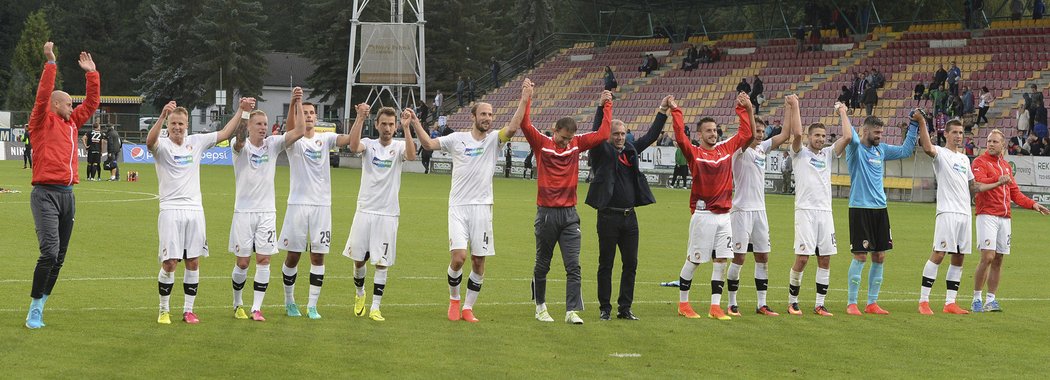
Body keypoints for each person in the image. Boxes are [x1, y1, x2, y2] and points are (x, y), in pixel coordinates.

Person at [412, 82, 524, 323]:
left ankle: (467, 308)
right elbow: (429, 144)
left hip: (483, 208)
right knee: (459, 257)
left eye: (491, 114)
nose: (488, 118)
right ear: (473, 116)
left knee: (478, 260)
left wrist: (525, 97)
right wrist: (415, 123)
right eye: (483, 114)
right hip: (458, 207)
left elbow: (514, 127)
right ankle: (454, 299)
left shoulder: (495, 139)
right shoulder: (457, 139)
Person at [520, 83, 612, 325]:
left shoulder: (577, 144)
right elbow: (525, 125)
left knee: (574, 265)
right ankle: (540, 306)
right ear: (555, 130)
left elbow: (603, 135)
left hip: (570, 215)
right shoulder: (542, 143)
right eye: (563, 138)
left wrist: (606, 105)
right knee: (543, 263)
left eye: (569, 139)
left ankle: (572, 310)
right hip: (547, 214)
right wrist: (527, 98)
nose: (565, 143)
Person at [24, 42, 99, 329]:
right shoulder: (42, 121)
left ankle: (41, 304)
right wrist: (51, 63)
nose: (74, 107)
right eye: (69, 103)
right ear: (56, 105)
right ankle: (34, 307)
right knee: (50, 252)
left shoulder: (72, 123)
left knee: (60, 258)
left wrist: (92, 75)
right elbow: (42, 95)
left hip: (68, 195)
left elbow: (91, 104)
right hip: (45, 194)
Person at [148, 96, 241, 324]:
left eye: (181, 124)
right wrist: (161, 115)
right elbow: (149, 142)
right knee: (170, 263)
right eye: (173, 123)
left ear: (187, 125)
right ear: (168, 125)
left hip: (194, 211)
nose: (177, 127)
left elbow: (225, 133)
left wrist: (241, 110)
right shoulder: (162, 146)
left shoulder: (196, 142)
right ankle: (163, 309)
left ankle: (188, 310)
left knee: (193, 262)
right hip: (170, 210)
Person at [586, 94, 670, 321]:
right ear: (608, 135)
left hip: (629, 217)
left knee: (630, 264)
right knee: (606, 264)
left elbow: (651, 136)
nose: (620, 138)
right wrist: (601, 107)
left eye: (623, 134)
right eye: (616, 134)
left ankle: (625, 308)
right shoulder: (601, 152)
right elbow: (595, 133)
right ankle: (605, 308)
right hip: (608, 217)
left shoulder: (631, 149)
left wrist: (662, 111)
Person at [916, 118, 1010, 315]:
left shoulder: (964, 159)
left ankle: (950, 303)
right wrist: (922, 122)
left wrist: (997, 184)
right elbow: (926, 146)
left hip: (965, 214)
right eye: (955, 132)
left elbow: (974, 187)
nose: (959, 136)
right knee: (939, 254)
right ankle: (924, 301)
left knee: (958, 258)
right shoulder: (940, 153)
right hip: (947, 212)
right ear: (946, 134)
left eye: (961, 133)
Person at [227, 88, 306, 322]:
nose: (263, 127)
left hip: (266, 213)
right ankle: (237, 303)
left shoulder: (272, 144)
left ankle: (256, 308)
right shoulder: (239, 145)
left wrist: (297, 102)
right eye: (259, 123)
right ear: (250, 126)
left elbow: (300, 131)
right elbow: (239, 140)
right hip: (243, 212)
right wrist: (243, 113)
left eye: (265, 123)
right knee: (242, 262)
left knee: (264, 260)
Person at [674, 92, 755, 321]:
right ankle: (683, 303)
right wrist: (676, 111)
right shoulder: (695, 153)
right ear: (699, 134)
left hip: (724, 216)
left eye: (715, 130)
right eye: (708, 130)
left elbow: (746, 133)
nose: (713, 133)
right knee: (695, 260)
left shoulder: (725, 149)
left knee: (721, 260)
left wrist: (743, 109)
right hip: (703, 215)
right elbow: (680, 137)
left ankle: (715, 307)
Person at [278, 101, 354, 319]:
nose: (309, 116)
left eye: (311, 113)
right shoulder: (294, 141)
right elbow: (291, 128)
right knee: (293, 256)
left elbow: (348, 140)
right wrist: (295, 103)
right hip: (298, 205)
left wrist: (358, 118)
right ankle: (289, 301)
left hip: (322, 206)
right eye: (305, 113)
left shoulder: (325, 139)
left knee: (318, 256)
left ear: (316, 117)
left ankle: (312, 305)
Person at [342, 105, 417, 322]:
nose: (387, 128)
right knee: (358, 261)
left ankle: (375, 306)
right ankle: (359, 294)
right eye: (383, 123)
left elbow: (412, 156)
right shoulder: (369, 144)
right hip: (365, 210)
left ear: (395, 127)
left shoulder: (400, 146)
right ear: (376, 124)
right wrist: (359, 118)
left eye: (391, 124)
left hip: (388, 214)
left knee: (382, 261)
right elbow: (354, 146)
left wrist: (407, 128)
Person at [843, 107, 919, 316]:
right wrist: (843, 111)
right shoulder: (855, 149)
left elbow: (905, 151)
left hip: (880, 209)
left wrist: (913, 125)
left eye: (881, 133)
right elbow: (851, 136)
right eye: (876, 133)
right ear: (865, 131)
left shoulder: (881, 150)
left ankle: (872, 303)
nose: (879, 136)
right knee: (860, 255)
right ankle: (851, 303)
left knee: (880, 256)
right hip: (860, 208)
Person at [727, 96, 793, 317]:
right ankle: (732, 303)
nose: (760, 134)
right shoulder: (740, 149)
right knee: (739, 258)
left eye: (762, 132)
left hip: (760, 212)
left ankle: (761, 304)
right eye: (757, 131)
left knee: (763, 257)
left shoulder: (762, 149)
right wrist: (749, 110)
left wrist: (789, 108)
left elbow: (784, 135)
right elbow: (747, 136)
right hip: (741, 211)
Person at [971, 130, 1050, 312]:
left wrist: (1033, 204)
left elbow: (1015, 193)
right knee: (987, 257)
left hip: (1005, 218)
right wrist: (998, 180)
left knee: (998, 259)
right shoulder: (979, 162)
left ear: (1003, 145)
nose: (991, 144)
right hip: (987, 215)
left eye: (995, 142)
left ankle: (990, 300)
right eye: (989, 141)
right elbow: (979, 184)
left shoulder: (1006, 166)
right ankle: (976, 298)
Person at [785, 100, 846, 317]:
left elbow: (847, 137)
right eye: (816, 135)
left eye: (823, 135)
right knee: (802, 258)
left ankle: (820, 304)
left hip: (825, 213)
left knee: (825, 259)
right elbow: (797, 134)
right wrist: (796, 107)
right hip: (805, 211)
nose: (820, 139)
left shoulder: (828, 154)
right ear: (810, 137)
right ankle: (793, 302)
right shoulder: (799, 152)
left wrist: (843, 112)